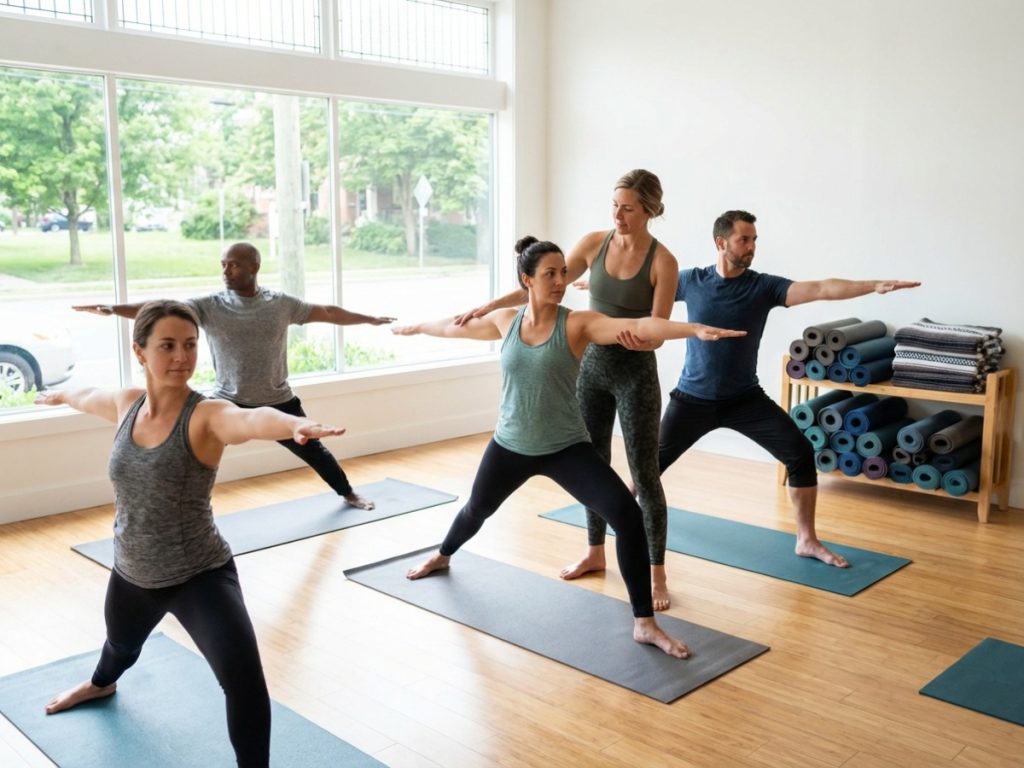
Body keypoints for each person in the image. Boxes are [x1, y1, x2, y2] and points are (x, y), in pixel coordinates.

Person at [394, 236, 745, 658]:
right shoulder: (505, 321)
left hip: (565, 447)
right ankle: (443, 554)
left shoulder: (577, 324)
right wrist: (417, 327)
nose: (561, 281)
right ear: (527, 279)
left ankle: (645, 623)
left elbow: (640, 326)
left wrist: (692, 330)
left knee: (628, 518)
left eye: (563, 272)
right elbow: (452, 327)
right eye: (550, 274)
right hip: (510, 444)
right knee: (476, 510)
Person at [37, 300, 349, 768]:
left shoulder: (206, 415)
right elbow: (87, 395)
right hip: (132, 571)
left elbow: (250, 419)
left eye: (190, 345)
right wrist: (60, 395)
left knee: (244, 682)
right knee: (120, 647)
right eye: (168, 346)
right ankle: (101, 684)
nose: (182, 357)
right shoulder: (127, 404)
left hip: (199, 575)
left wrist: (295, 424)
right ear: (140, 351)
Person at [620, 210, 920, 568]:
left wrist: (873, 285)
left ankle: (807, 540)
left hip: (744, 399)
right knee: (648, 465)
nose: (751, 247)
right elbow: (643, 287)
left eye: (754, 240)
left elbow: (821, 288)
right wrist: (597, 286)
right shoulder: (692, 281)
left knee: (800, 453)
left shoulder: (762, 287)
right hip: (692, 399)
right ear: (721, 243)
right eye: (744, 240)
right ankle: (616, 512)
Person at [455, 170, 680, 610]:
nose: (617, 215)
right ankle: (595, 552)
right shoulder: (595, 244)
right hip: (590, 368)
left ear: (649, 210)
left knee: (645, 474)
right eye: (614, 205)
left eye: (628, 208)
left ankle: (657, 572)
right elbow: (546, 285)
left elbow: (658, 329)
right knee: (595, 464)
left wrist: (643, 341)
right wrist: (492, 305)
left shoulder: (662, 261)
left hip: (635, 373)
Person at [74, 241, 395, 510]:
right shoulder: (210, 306)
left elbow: (327, 312)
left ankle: (348, 493)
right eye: (223, 265)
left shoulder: (280, 304)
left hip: (278, 400)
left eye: (234, 265)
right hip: (227, 402)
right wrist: (114, 309)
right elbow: (161, 309)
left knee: (315, 451)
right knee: (185, 452)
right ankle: (170, 507)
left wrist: (369, 319)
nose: (226, 271)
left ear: (254, 267)